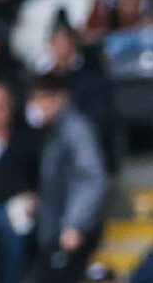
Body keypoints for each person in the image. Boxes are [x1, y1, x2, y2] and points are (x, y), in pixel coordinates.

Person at [27, 72, 109, 283]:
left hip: (70, 229)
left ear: (62, 96)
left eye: (45, 97)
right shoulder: (48, 129)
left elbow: (92, 179)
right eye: (36, 98)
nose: (40, 105)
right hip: (54, 226)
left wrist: (74, 224)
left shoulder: (76, 130)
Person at [0, 79, 38, 283]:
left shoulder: (25, 139)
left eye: (3, 105)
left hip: (17, 207)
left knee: (12, 224)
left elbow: (37, 178)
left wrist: (34, 197)